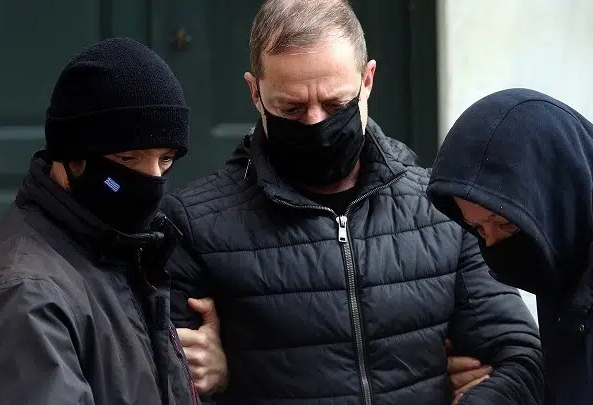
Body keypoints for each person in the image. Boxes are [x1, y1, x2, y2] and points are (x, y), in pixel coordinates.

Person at [163, 1, 544, 404]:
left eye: (335, 105)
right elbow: (161, 381)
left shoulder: (442, 210)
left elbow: (522, 362)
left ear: (368, 80)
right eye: (291, 108)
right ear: (255, 93)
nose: (315, 123)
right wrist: (214, 381)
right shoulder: (194, 225)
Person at [427, 88, 593, 405]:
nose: (493, 243)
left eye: (505, 223)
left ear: (557, 194)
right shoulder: (575, 252)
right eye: (478, 228)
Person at [0, 38, 201, 405]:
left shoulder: (123, 252)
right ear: (71, 156)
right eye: (128, 159)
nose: (153, 179)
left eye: (166, 159)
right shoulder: (27, 296)